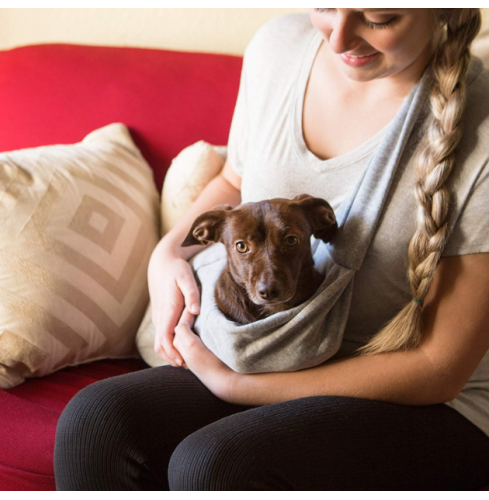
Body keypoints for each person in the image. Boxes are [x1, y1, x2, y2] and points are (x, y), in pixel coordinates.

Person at [54, 9, 489, 490]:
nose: (339, 36)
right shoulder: (278, 48)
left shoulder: (481, 122)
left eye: (380, 16)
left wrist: (239, 387)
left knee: (216, 467)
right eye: (325, 6)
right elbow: (234, 182)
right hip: (278, 350)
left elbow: (438, 369)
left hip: (431, 401)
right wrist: (168, 254)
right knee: (95, 422)